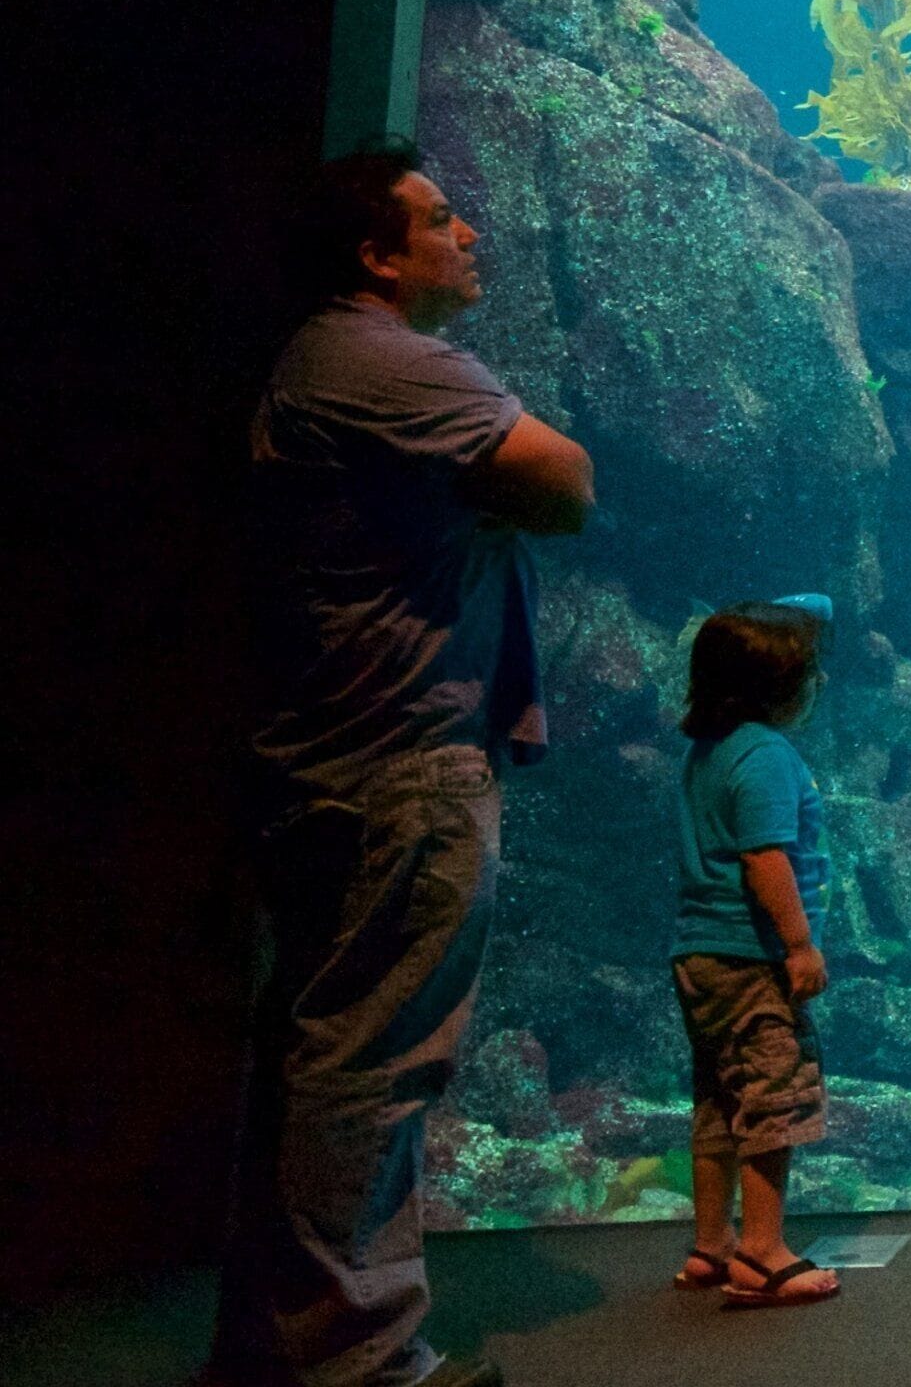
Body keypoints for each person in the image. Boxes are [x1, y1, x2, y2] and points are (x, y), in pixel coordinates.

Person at [217, 142, 594, 1387]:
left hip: (347, 767)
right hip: (395, 775)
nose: (471, 231)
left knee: (330, 1056)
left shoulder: (331, 363)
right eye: (440, 218)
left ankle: (285, 1346)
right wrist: (494, 492)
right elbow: (562, 478)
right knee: (368, 1069)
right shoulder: (382, 361)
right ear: (378, 254)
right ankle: (353, 1359)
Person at [668, 601, 843, 1310]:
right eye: (809, 674)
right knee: (774, 1094)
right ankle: (762, 1253)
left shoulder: (710, 750)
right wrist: (799, 945)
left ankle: (710, 1247)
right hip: (752, 959)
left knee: (719, 1097)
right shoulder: (768, 756)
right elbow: (764, 858)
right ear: (775, 690)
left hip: (700, 955)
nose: (820, 684)